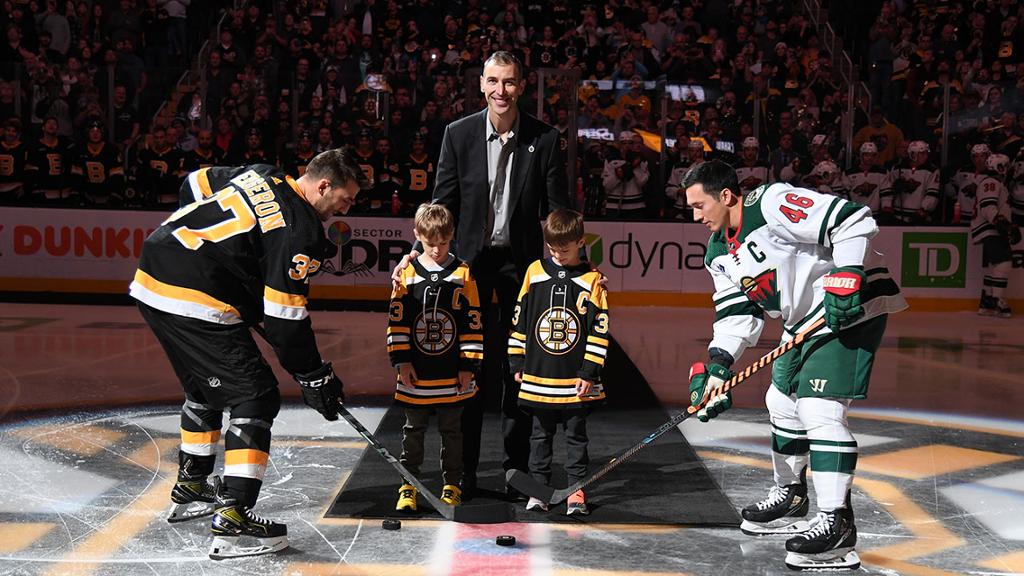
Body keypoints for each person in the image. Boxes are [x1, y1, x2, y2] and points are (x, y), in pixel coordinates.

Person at [129, 149, 366, 559]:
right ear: (323, 185)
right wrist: (314, 376)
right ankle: (234, 520)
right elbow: (284, 321)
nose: (347, 208)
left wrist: (216, 257)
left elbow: (195, 183)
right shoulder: (302, 231)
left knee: (206, 388)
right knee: (255, 396)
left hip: (154, 272)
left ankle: (192, 484)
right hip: (194, 296)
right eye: (345, 199)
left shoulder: (263, 173)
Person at [681, 160, 906, 571]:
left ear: (726, 196)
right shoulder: (718, 252)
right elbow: (736, 316)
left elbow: (852, 220)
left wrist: (848, 274)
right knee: (781, 401)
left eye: (699, 206)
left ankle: (838, 525)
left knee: (818, 409)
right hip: (802, 321)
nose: (696, 216)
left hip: (849, 309)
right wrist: (718, 367)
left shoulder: (771, 202)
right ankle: (792, 495)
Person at [390, 51, 568, 500]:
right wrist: (415, 254)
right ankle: (463, 473)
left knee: (517, 368)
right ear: (481, 85)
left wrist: (574, 265)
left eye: (509, 82)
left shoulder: (545, 139)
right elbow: (441, 203)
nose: (500, 91)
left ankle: (515, 469)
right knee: (465, 368)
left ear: (522, 85)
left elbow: (557, 212)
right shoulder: (458, 134)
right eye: (493, 81)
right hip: (467, 268)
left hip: (523, 268)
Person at [508, 209, 608, 516]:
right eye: (552, 249)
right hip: (539, 376)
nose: (557, 255)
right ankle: (539, 490)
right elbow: (520, 320)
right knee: (540, 435)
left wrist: (589, 372)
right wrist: (516, 362)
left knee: (576, 436)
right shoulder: (533, 272)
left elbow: (599, 329)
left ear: (581, 242)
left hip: (575, 379)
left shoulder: (592, 280)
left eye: (564, 250)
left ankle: (576, 489)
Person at [387, 203, 483, 512]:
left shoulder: (464, 273)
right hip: (417, 371)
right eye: (430, 243)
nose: (438, 249)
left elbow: (473, 322)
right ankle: (408, 485)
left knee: (452, 432)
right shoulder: (407, 273)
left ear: (452, 235)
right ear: (417, 236)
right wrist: (401, 361)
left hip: (451, 372)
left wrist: (468, 364)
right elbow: (397, 321)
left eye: (443, 242)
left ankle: (452, 484)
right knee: (413, 431)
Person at [971, 153, 1015, 318]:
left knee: (995, 266)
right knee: (1004, 263)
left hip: (990, 229)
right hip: (990, 229)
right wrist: (1001, 222)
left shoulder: (994, 182)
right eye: (1005, 166)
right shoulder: (991, 182)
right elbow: (988, 206)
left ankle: (988, 301)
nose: (1008, 169)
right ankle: (997, 300)